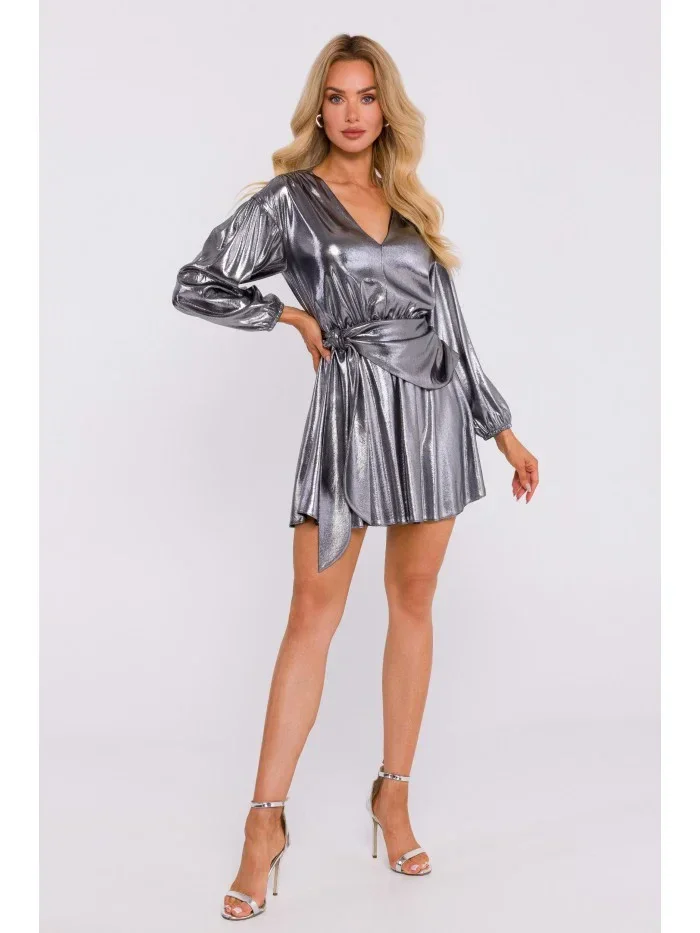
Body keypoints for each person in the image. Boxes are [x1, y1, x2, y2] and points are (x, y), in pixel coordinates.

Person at [172, 33, 539, 921]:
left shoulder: (407, 204)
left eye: (366, 96)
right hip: (352, 418)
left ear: (386, 108)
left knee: (414, 601)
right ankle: (263, 824)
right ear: (319, 106)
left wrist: (502, 429)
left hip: (435, 417)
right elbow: (195, 283)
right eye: (335, 96)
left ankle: (394, 796)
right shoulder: (289, 202)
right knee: (313, 613)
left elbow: (452, 330)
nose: (350, 112)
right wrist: (288, 315)